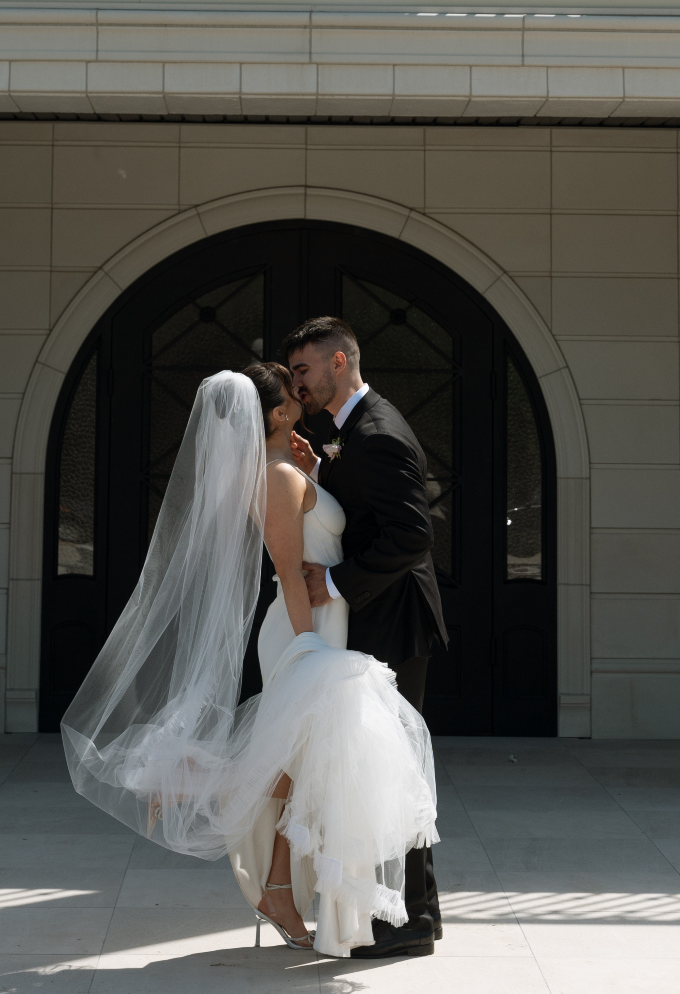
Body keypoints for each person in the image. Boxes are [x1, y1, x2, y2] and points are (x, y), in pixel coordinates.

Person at [61, 366, 438, 960]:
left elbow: (313, 539)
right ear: (275, 413)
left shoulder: (284, 471)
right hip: (304, 631)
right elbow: (291, 573)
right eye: (292, 394)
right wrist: (311, 648)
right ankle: (192, 775)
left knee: (306, 768)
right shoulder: (277, 476)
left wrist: (318, 474)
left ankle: (278, 890)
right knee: (300, 765)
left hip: (317, 626)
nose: (302, 396)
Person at [283, 316, 447, 959]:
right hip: (383, 616)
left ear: (340, 363)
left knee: (392, 770)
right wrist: (322, 465)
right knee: (389, 767)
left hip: (393, 619)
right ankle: (418, 914)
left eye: (304, 370)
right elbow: (370, 505)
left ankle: (409, 922)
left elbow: (413, 536)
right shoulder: (353, 428)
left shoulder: (376, 433)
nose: (298, 382)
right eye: (292, 372)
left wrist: (339, 581)